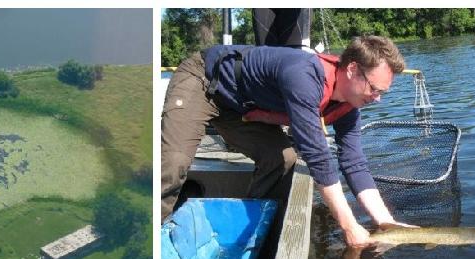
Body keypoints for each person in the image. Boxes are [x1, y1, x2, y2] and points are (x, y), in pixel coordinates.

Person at [160, 35, 416, 246]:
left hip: (239, 108)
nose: (378, 98)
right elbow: (318, 157)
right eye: (375, 89)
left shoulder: (350, 106)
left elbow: (354, 163)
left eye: (383, 93)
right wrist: (349, 225)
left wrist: (386, 222)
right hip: (204, 82)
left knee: (282, 157)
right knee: (174, 161)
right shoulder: (304, 76)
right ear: (352, 70)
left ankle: (249, 225)